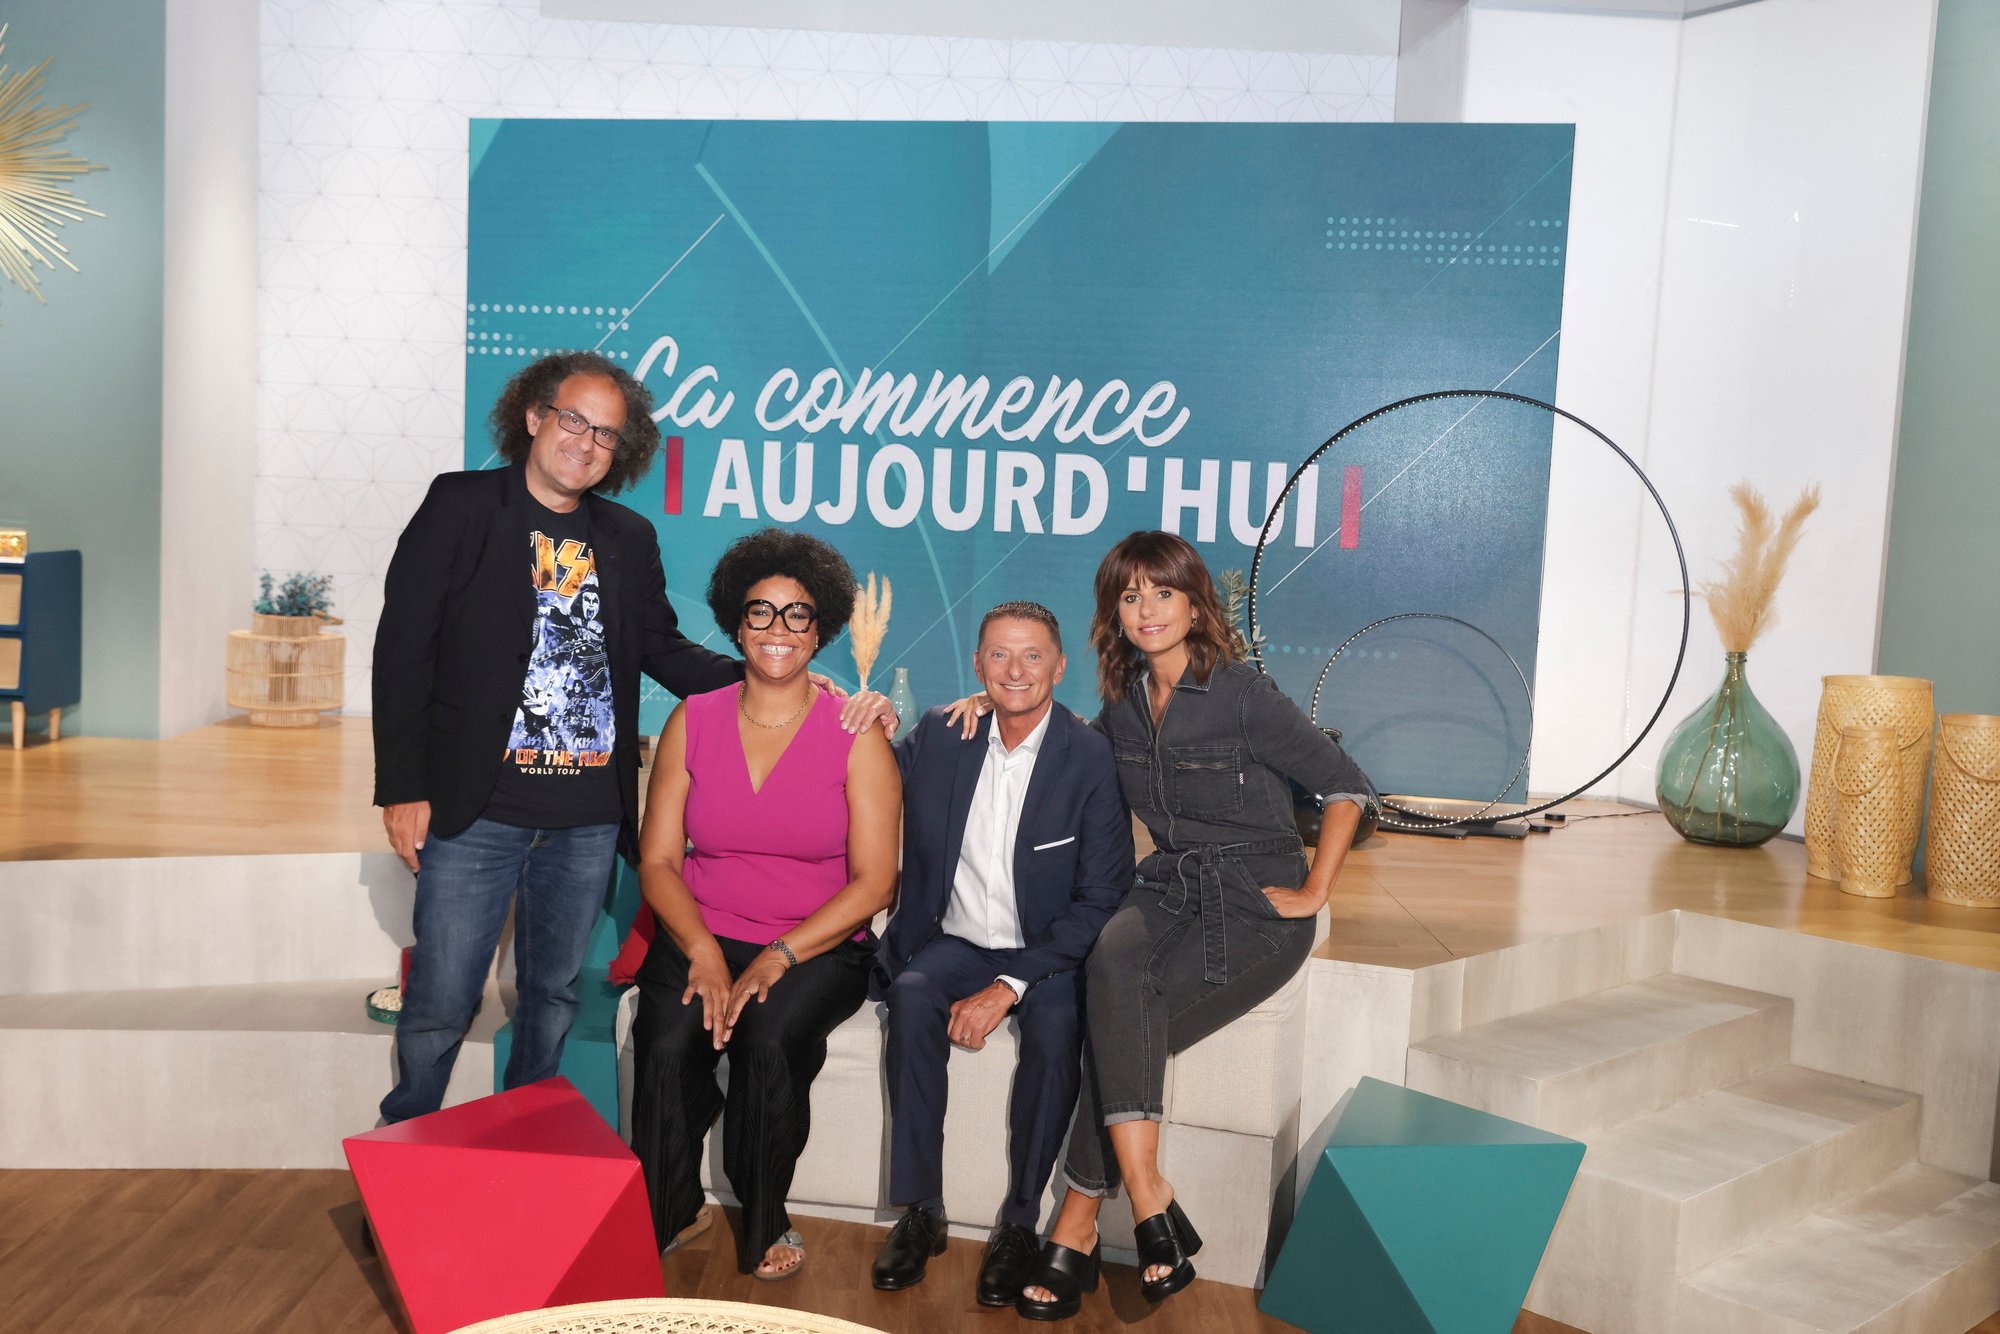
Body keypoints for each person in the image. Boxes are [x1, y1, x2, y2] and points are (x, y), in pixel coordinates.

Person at [372, 352, 887, 1126]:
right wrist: (403, 786)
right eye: (573, 421)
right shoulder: (462, 505)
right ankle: (404, 1147)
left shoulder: (626, 535)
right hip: (475, 810)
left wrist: (783, 680)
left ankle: (522, 1140)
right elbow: (403, 648)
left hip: (585, 820)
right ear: (534, 417)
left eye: (607, 434)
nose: (586, 442)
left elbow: (663, 650)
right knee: (442, 1000)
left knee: (551, 997)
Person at [1013, 531, 1375, 1321]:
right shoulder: (1122, 705)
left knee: (1119, 1033)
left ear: (1194, 603)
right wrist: (990, 707)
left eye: (1163, 593)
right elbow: (1058, 755)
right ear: (1114, 612)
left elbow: (1347, 786)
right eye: (1130, 596)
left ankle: (1076, 1223)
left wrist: (1315, 890)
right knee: (1112, 959)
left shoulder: (1242, 694)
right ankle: (1150, 1196)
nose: (1146, 610)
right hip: (1170, 887)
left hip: (1255, 904)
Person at [628, 528, 901, 1281]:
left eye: (797, 613)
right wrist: (703, 951)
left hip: (817, 944)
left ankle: (765, 1215)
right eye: (760, 611)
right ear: (736, 622)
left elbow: (876, 884)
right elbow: (658, 861)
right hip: (702, 929)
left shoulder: (855, 733)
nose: (777, 629)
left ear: (820, 630)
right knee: (666, 1040)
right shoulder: (693, 719)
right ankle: (667, 1209)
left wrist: (779, 956)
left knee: (768, 1039)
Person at [869, 603, 1133, 1306]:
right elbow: (868, 777)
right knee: (910, 996)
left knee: (1056, 1027)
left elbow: (1101, 898)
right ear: (977, 664)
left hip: (1046, 953)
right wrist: (870, 715)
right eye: (999, 655)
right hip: (953, 941)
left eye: (1032, 656)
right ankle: (921, 1211)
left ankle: (1019, 1224)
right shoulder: (943, 732)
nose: (1015, 671)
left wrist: (1010, 985)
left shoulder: (1089, 757)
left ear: (1060, 666)